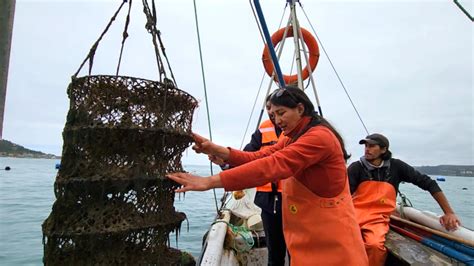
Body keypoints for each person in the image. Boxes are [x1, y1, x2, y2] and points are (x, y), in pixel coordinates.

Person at [168, 86, 369, 265]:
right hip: (306, 236)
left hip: (330, 236)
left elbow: (273, 165)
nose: (277, 120)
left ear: (300, 109)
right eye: (273, 115)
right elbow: (260, 156)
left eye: (281, 113)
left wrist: (209, 181)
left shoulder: (319, 137)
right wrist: (216, 149)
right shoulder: (290, 137)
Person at [348, 133, 461, 266]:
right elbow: (343, 195)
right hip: (353, 215)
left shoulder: (397, 166)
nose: (367, 149)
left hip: (377, 219)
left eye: (372, 146)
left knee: (374, 245)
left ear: (384, 149)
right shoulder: (355, 167)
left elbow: (428, 183)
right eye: (366, 146)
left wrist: (449, 212)